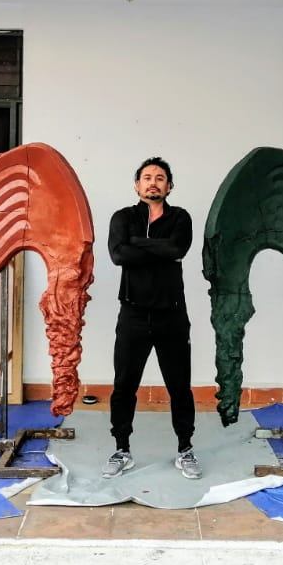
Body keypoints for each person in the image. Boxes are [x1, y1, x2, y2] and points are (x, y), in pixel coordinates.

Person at [102, 157, 200, 480]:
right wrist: (157, 248)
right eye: (147, 177)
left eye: (160, 178)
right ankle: (122, 449)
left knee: (179, 386)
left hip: (171, 315)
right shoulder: (123, 217)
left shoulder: (180, 218)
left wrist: (138, 245)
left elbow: (177, 249)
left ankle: (185, 449)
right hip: (132, 315)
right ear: (137, 185)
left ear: (169, 186)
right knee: (123, 386)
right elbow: (118, 255)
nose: (153, 182)